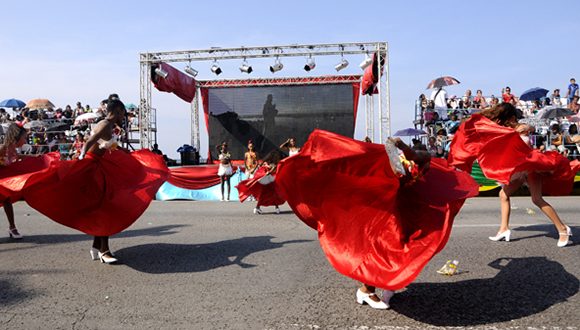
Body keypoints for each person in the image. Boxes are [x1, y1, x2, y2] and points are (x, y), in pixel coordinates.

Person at [274, 129, 479, 309]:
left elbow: (410, 163)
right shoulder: (397, 161)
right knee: (378, 245)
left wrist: (401, 151)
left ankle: (386, 283)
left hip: (405, 204)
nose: (420, 160)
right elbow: (392, 161)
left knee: (405, 245)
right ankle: (365, 290)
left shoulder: (421, 158)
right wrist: (395, 147)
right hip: (384, 204)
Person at [22, 96, 169, 263]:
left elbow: (107, 144)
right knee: (105, 206)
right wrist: (82, 156)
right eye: (123, 114)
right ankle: (104, 251)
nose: (124, 117)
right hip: (92, 167)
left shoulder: (108, 125)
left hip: (99, 165)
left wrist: (131, 155)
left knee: (102, 206)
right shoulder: (105, 124)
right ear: (118, 111)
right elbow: (90, 141)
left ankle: (96, 246)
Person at [449, 103, 578, 247]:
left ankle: (563, 229)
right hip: (519, 171)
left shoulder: (519, 128)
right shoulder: (504, 131)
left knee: (536, 199)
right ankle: (503, 229)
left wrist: (525, 128)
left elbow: (530, 128)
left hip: (531, 167)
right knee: (503, 195)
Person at [237, 150, 285, 215]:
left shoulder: (267, 163)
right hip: (269, 181)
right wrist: (270, 171)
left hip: (266, 181)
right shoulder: (272, 164)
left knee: (268, 195)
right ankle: (275, 208)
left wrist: (269, 171)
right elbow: (269, 170)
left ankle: (258, 208)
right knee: (273, 195)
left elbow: (264, 170)